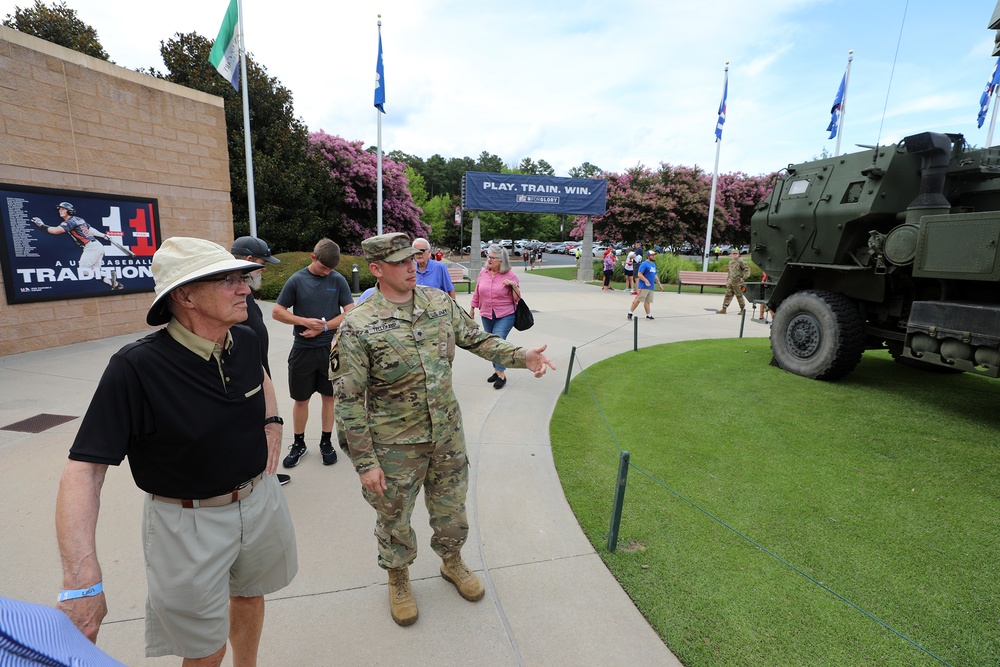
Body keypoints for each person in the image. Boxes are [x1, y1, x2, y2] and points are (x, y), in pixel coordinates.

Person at [55, 237, 297, 665]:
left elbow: (259, 373)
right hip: (188, 522)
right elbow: (84, 471)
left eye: (243, 278)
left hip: (259, 501)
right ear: (184, 295)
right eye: (228, 281)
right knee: (204, 647)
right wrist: (81, 578)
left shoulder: (242, 335)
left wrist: (272, 420)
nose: (246, 288)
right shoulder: (135, 368)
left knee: (249, 596)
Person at [331, 232, 555, 627]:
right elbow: (348, 401)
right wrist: (365, 461)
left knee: (451, 508)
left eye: (413, 259)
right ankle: (398, 578)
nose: (412, 266)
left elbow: (479, 340)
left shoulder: (438, 303)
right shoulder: (357, 326)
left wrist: (522, 355)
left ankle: (452, 562)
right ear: (377, 269)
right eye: (400, 262)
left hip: (446, 435)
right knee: (394, 517)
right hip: (394, 446)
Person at [272, 238, 354, 467]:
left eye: (330, 269)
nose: (326, 272)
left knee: (329, 398)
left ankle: (326, 442)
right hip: (302, 350)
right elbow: (278, 312)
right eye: (323, 267)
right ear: (313, 257)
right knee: (301, 399)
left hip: (330, 350)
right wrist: (303, 322)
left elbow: (349, 312)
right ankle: (299, 444)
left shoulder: (337, 280)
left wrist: (324, 327)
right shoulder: (297, 280)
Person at [230, 235, 290, 486]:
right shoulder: (229, 296)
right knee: (243, 431)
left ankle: (263, 473)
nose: (264, 268)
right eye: (261, 262)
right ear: (248, 260)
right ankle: (251, 478)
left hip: (257, 374)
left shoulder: (245, 292)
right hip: (242, 380)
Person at [31, 201, 123, 290]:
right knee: (95, 271)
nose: (60, 210)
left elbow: (55, 231)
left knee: (83, 271)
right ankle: (115, 284)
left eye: (63, 209)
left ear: (70, 211)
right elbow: (90, 229)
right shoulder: (79, 219)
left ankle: (108, 275)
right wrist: (103, 235)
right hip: (97, 246)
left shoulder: (70, 222)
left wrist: (41, 225)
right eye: (60, 209)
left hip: (91, 248)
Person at [470, 245, 520, 390]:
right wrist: (472, 309)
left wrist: (513, 286)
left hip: (505, 315)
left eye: (492, 257)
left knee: (498, 342)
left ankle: (502, 375)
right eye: (488, 256)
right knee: (491, 344)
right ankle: (496, 372)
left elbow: (517, 299)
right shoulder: (483, 273)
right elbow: (477, 292)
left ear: (501, 260)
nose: (489, 260)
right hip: (486, 314)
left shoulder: (510, 275)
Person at [628, 249, 664, 320]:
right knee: (638, 299)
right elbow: (639, 274)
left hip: (651, 287)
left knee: (647, 301)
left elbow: (655, 276)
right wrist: (646, 280)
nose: (654, 256)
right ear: (648, 256)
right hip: (644, 286)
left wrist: (659, 285)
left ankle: (648, 315)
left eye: (654, 255)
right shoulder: (644, 264)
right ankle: (630, 313)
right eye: (652, 255)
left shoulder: (653, 265)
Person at [716, 249, 751, 314]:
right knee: (728, 295)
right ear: (731, 254)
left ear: (738, 254)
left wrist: (743, 278)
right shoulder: (731, 262)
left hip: (737, 282)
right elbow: (730, 272)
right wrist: (728, 280)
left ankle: (742, 309)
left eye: (736, 254)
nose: (734, 255)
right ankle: (724, 308)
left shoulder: (741, 262)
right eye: (733, 254)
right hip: (730, 281)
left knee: (739, 296)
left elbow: (747, 270)